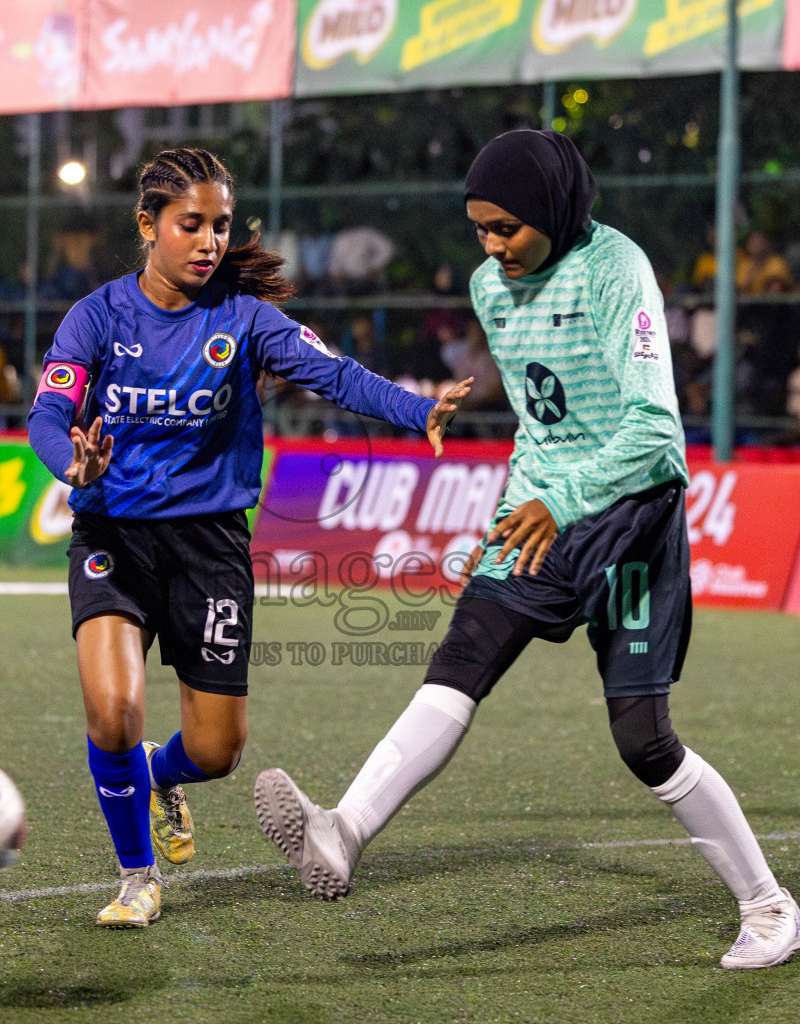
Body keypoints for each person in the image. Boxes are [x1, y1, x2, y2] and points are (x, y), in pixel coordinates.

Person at [252, 130, 800, 971]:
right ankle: (344, 831)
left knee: (643, 740)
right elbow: (541, 421)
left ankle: (772, 911)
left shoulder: (618, 270)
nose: (491, 247)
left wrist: (567, 499)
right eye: (479, 228)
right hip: (535, 512)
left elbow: (658, 432)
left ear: (553, 210)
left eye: (507, 228)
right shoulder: (490, 287)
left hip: (626, 516)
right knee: (460, 659)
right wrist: (534, 497)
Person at [26, 148, 469, 929]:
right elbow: (46, 416)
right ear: (147, 225)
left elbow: (334, 375)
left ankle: (161, 778)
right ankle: (137, 877)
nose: (208, 242)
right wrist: (73, 462)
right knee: (113, 712)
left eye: (220, 226)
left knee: (218, 751)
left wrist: (416, 409)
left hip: (211, 549)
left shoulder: (245, 319)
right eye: (189, 224)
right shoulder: (96, 316)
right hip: (112, 536)